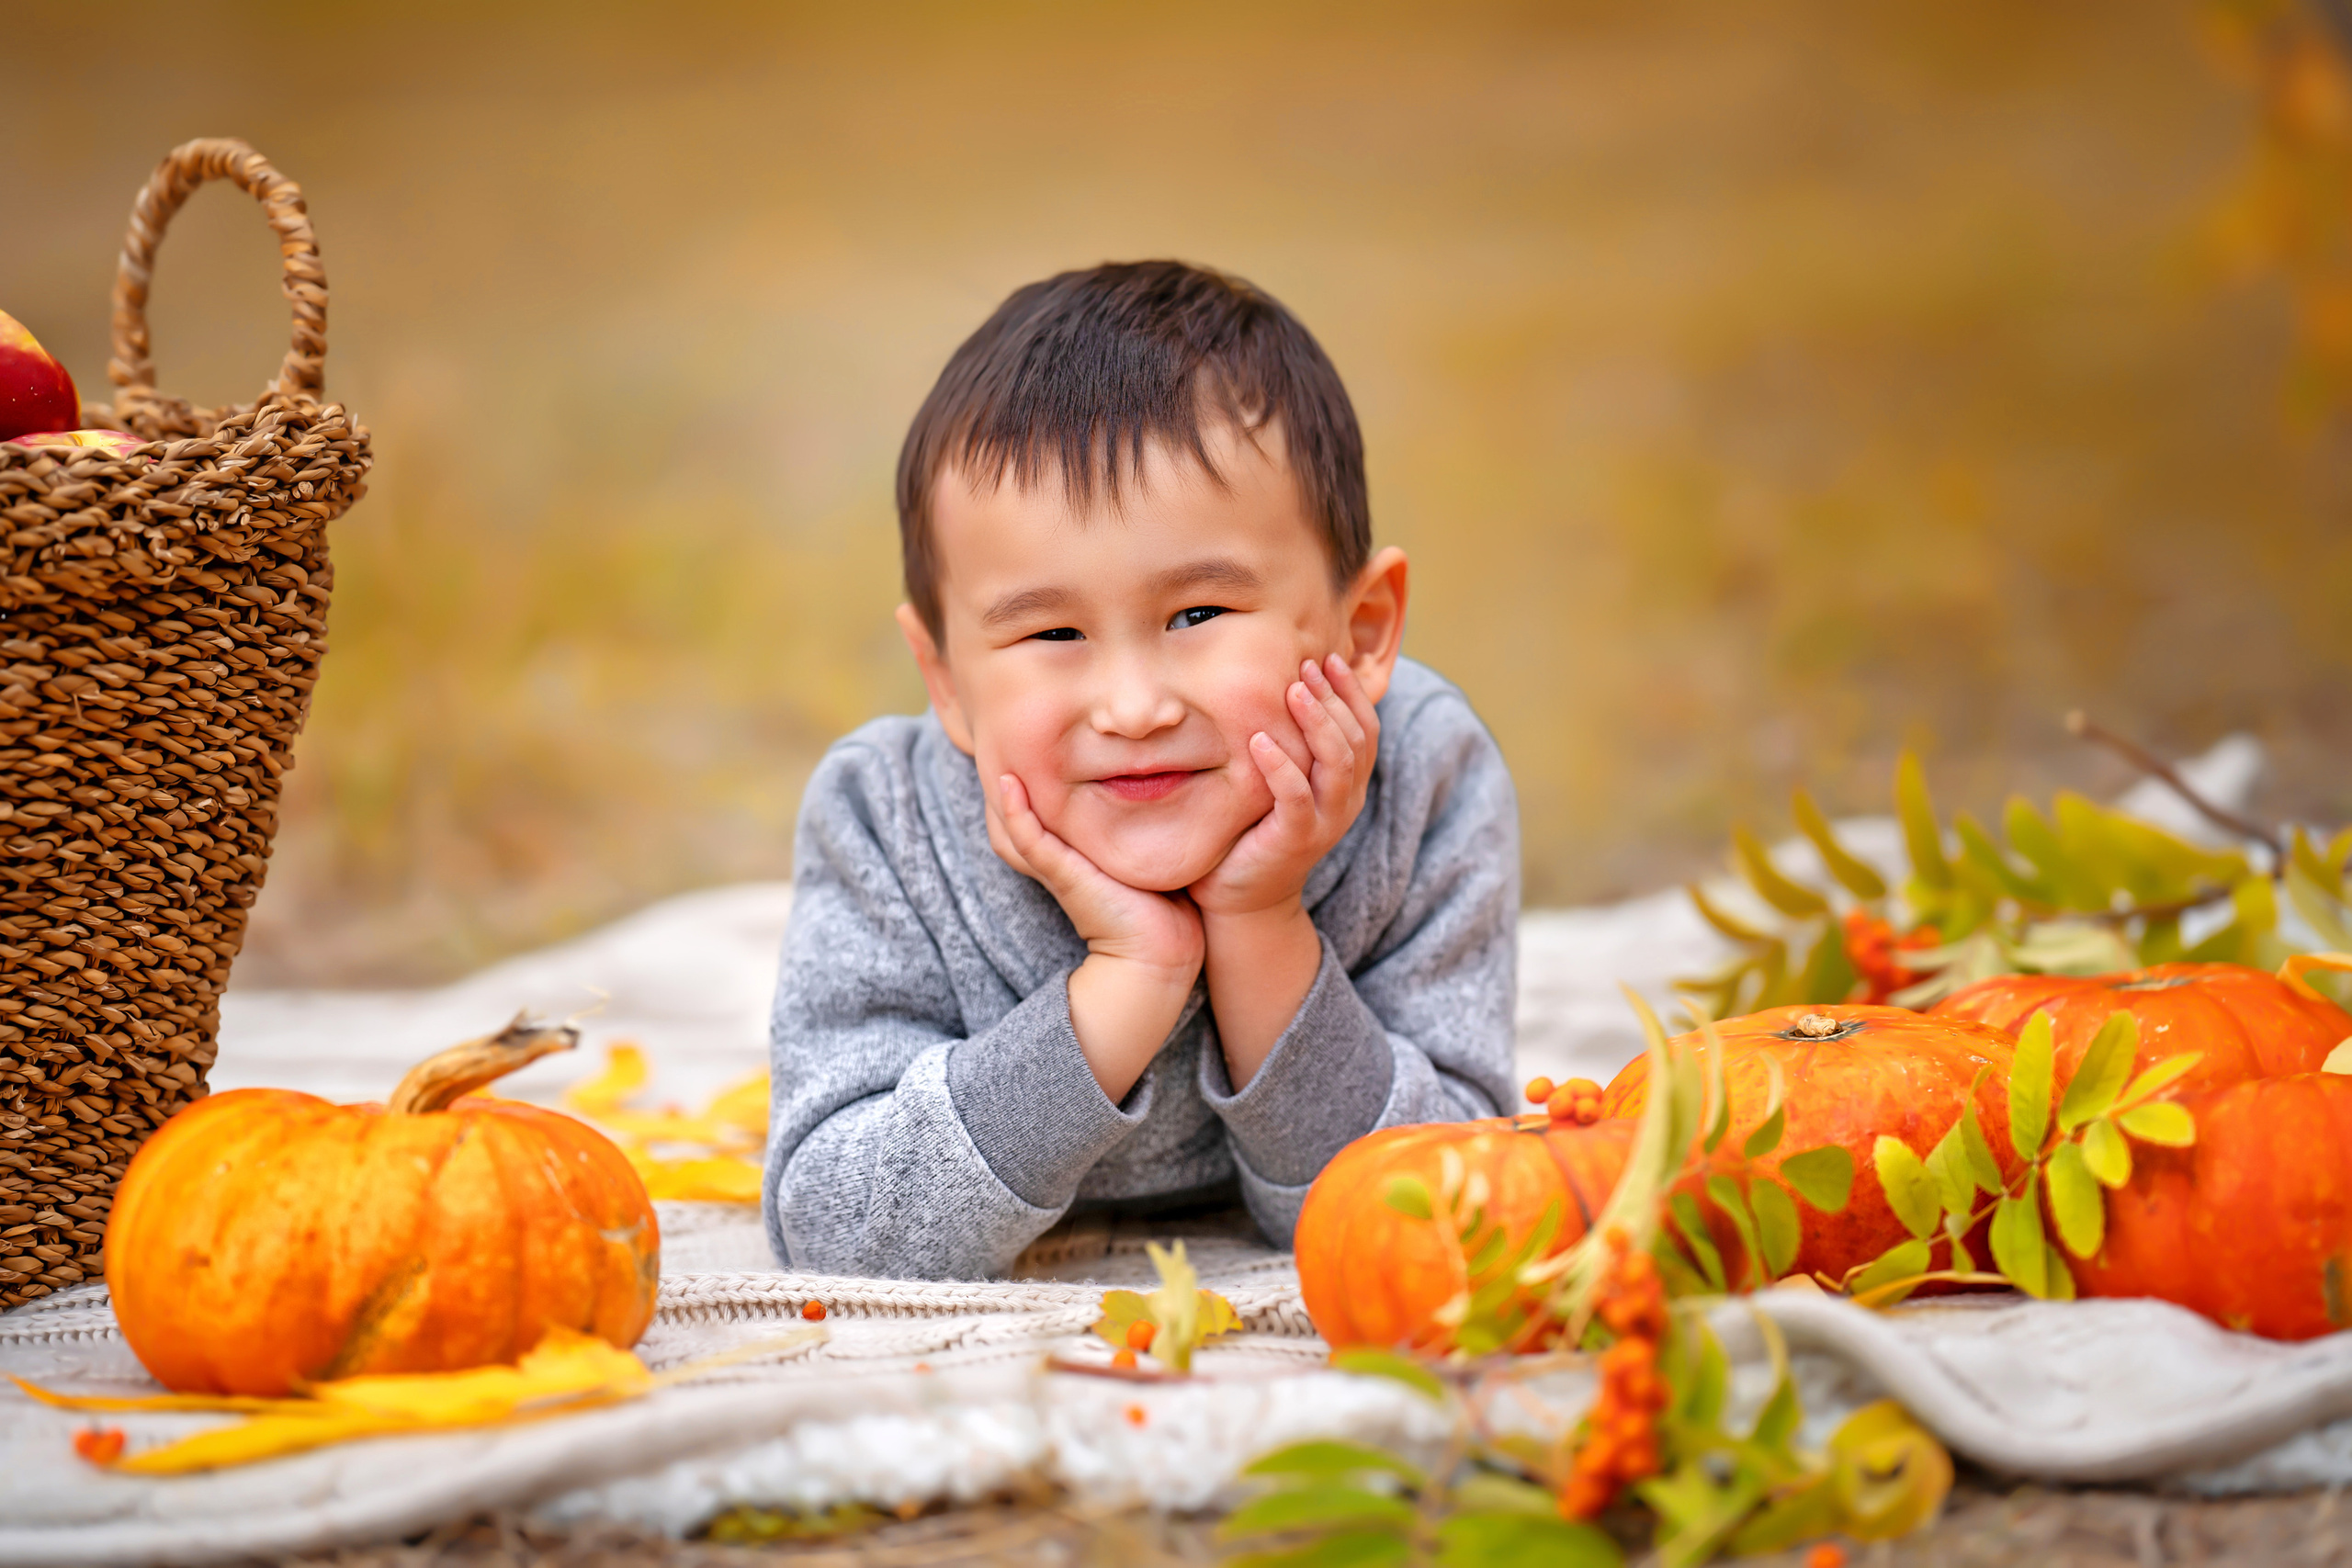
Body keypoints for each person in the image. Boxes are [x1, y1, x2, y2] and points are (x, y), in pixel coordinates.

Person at [763, 261, 1519, 1279]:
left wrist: (1260, 924)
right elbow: (833, 1226)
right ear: (945, 681)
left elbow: (1454, 1215)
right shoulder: (882, 821)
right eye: (1053, 630)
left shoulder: (1427, 779)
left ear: (1364, 628)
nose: (1134, 707)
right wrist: (1128, 982)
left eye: (1197, 615)